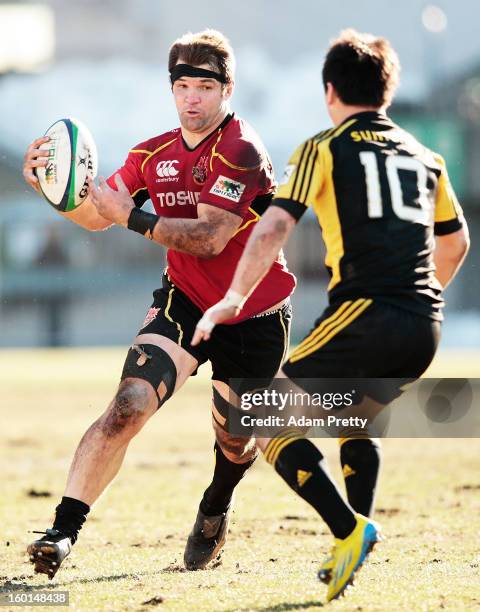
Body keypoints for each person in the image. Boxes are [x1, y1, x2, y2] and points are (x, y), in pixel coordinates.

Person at [192, 29, 470, 601]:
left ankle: (349, 530)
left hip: (368, 313)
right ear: (387, 91)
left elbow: (273, 225)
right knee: (356, 418)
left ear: (329, 91)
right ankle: (351, 550)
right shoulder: (427, 157)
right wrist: (418, 301)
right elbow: (456, 243)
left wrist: (235, 298)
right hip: (426, 327)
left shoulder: (324, 146)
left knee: (262, 414)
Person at [22, 30, 294, 579]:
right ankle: (62, 533)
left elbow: (210, 237)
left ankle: (216, 505)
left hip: (253, 313)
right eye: (183, 86)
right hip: (185, 301)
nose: (192, 98)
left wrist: (131, 217)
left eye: (204, 87)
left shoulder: (242, 149)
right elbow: (99, 215)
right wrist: (54, 190)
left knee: (235, 441)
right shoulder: (152, 153)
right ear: (172, 90)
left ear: (227, 90)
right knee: (128, 405)